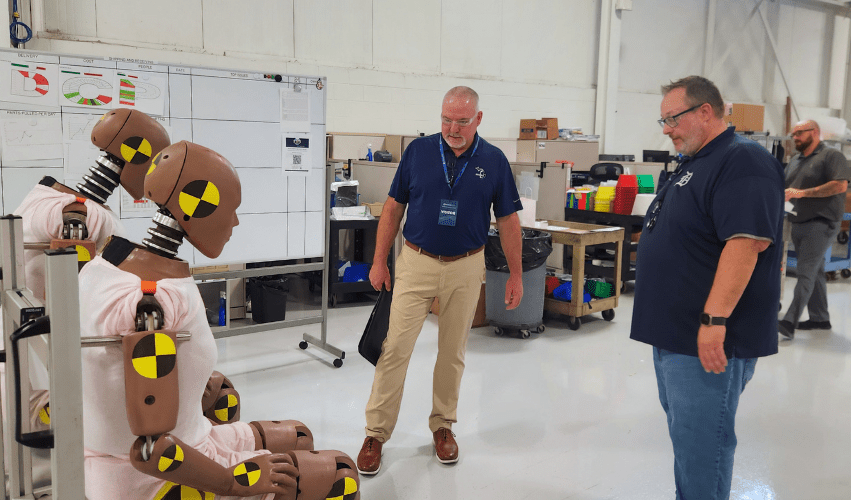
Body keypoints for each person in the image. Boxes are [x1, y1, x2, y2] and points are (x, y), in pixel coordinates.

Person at [630, 76, 785, 499]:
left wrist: (714, 321)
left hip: (705, 338)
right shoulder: (697, 161)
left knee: (702, 448)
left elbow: (746, 242)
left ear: (704, 111)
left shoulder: (743, 160)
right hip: (675, 334)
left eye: (672, 119)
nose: (666, 129)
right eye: (663, 121)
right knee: (688, 441)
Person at [356, 86, 524, 475]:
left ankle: (443, 426)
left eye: (462, 121)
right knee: (395, 348)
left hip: (467, 267)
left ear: (478, 119)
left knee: (453, 352)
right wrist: (379, 261)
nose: (452, 128)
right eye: (446, 119)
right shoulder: (418, 152)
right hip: (417, 263)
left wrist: (516, 274)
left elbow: (508, 220)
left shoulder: (494, 161)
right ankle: (376, 433)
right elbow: (393, 208)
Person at [778, 120, 851, 339]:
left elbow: (840, 185)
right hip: (798, 221)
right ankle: (820, 318)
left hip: (821, 223)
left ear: (815, 132)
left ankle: (789, 321)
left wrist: (802, 193)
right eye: (793, 134)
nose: (795, 137)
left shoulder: (831, 156)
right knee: (816, 270)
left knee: (805, 272)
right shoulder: (796, 160)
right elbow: (787, 188)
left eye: (799, 133)